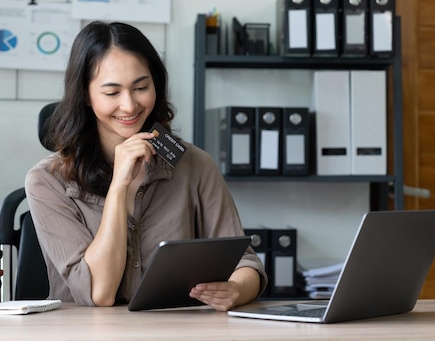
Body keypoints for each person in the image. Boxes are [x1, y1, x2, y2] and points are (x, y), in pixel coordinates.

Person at [25, 21, 267, 311]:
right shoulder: (46, 181)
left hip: (176, 329)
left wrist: (237, 289)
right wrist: (119, 186)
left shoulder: (195, 165)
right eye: (112, 93)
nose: (129, 106)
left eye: (141, 87)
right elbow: (99, 293)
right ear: (85, 96)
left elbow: (245, 262)